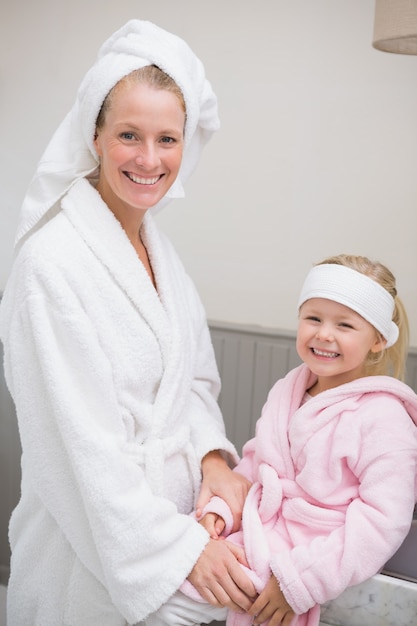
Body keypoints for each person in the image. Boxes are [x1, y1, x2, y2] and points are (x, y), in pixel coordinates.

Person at [0, 19, 257, 626]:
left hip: (171, 519)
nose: (149, 159)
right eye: (128, 135)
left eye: (167, 139)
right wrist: (180, 552)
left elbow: (194, 382)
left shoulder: (160, 253)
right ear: (95, 135)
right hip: (89, 551)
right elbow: (78, 447)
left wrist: (213, 461)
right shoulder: (52, 261)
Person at [180, 254, 417, 626]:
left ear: (378, 340)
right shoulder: (287, 391)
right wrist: (222, 512)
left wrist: (302, 581)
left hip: (319, 553)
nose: (324, 333)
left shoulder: (385, 419)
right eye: (313, 318)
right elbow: (255, 467)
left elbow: (381, 521)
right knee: (177, 570)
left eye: (345, 324)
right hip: (263, 529)